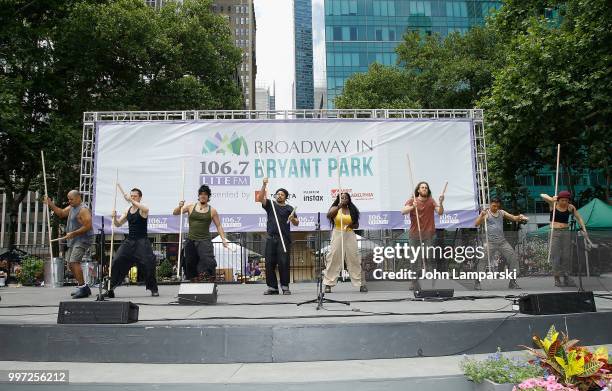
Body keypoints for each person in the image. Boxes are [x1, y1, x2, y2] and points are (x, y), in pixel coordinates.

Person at [104, 188, 159, 298]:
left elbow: (146, 209)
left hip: (142, 241)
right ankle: (110, 288)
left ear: (140, 197)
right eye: (131, 196)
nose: (133, 197)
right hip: (129, 241)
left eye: (135, 196)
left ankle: (153, 289)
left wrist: (131, 201)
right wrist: (114, 218)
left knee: (148, 264)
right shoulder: (128, 210)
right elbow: (118, 224)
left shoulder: (142, 209)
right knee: (117, 260)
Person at [173, 185, 229, 282]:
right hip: (191, 239)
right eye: (201, 194)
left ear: (208, 197)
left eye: (205, 194)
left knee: (208, 261)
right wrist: (179, 206)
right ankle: (194, 280)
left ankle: (210, 280)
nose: (203, 196)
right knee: (190, 261)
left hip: (204, 240)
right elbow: (175, 213)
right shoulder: (191, 207)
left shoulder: (212, 211)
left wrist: (223, 239)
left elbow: (219, 226)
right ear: (198, 196)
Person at [45, 190, 94, 299]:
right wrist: (50, 204)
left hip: (83, 240)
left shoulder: (83, 210)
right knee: (70, 264)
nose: (69, 201)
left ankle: (83, 288)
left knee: (74, 262)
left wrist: (74, 233)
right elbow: (61, 213)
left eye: (71, 199)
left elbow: (88, 226)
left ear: (78, 198)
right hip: (74, 239)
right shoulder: (72, 207)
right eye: (68, 199)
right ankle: (83, 287)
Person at [474, 198, 528, 290]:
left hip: (502, 242)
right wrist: (481, 215)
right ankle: (477, 282)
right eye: (494, 206)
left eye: (497, 206)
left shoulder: (501, 212)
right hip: (490, 242)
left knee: (513, 258)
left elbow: (513, 218)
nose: (495, 208)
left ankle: (512, 282)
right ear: (490, 204)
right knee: (483, 261)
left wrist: (520, 217)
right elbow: (476, 224)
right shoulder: (486, 214)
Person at [257, 177, 299, 295]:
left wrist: (292, 219)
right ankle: (273, 287)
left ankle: (285, 286)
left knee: (283, 262)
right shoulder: (271, 205)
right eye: (278, 194)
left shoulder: (289, 208)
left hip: (283, 239)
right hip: (271, 238)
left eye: (282, 194)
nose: (279, 196)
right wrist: (264, 185)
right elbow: (260, 198)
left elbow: (297, 222)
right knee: (269, 262)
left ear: (285, 197)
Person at [401, 181, 444, 290]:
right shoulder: (412, 200)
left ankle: (430, 281)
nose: (424, 189)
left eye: (426, 187)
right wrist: (412, 207)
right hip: (415, 234)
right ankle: (414, 281)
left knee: (430, 257)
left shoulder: (431, 201)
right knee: (415, 259)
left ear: (427, 190)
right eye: (422, 187)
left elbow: (440, 212)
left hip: (429, 234)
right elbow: (403, 211)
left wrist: (441, 202)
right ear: (418, 190)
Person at [541, 191, 588, 287]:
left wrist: (584, 229)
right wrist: (551, 198)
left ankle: (566, 277)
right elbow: (542, 195)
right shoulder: (553, 204)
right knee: (556, 256)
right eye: (562, 200)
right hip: (555, 232)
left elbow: (579, 218)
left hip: (566, 231)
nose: (564, 202)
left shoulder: (570, 207)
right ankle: (557, 278)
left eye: (566, 200)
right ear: (558, 199)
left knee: (567, 255)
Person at [323, 192, 368, 293]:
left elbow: (356, 225)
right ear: (338, 199)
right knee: (333, 257)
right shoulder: (335, 208)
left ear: (349, 199)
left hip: (349, 234)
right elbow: (329, 215)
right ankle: (328, 284)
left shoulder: (352, 209)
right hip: (338, 233)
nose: (344, 199)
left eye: (345, 198)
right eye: (341, 198)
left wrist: (351, 226)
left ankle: (360, 283)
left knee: (354, 258)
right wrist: (338, 206)